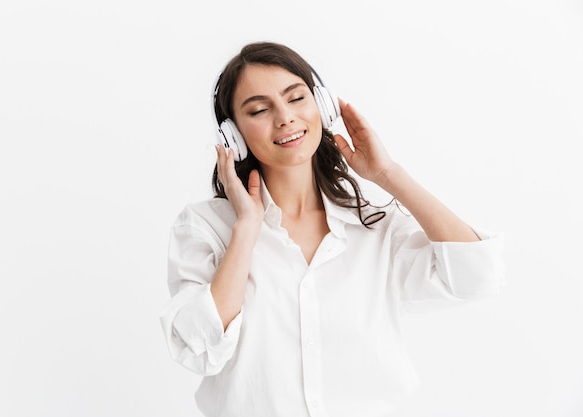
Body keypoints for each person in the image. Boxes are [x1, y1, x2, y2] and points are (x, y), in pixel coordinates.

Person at [160, 41, 505, 417]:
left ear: (322, 106)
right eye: (260, 109)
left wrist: (388, 175)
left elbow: (478, 276)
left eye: (296, 98)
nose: (285, 117)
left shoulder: (373, 225)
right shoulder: (206, 227)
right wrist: (246, 228)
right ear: (234, 137)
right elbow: (197, 348)